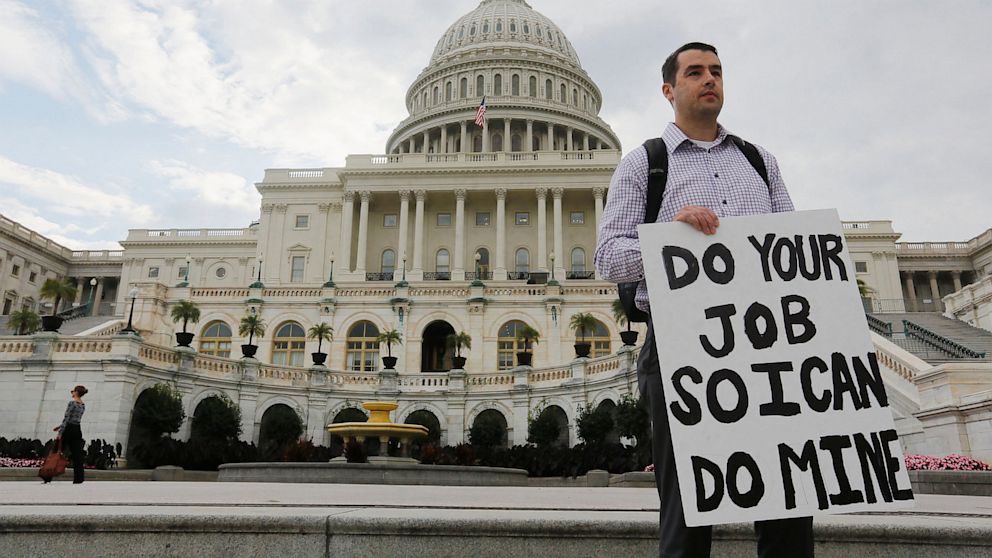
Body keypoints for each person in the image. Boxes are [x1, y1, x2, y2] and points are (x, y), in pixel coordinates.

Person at [594, 43, 814, 557]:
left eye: (716, 71)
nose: (709, 79)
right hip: (681, 347)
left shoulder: (760, 162)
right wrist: (670, 239)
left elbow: (794, 250)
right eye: (695, 72)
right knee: (690, 512)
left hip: (767, 348)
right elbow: (608, 257)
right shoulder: (643, 165)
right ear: (670, 90)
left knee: (789, 509)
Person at [54, 385, 88, 484]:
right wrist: (60, 426)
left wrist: (60, 432)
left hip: (68, 429)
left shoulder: (72, 403)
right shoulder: (82, 405)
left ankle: (47, 473)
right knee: (77, 455)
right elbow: (75, 419)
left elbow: (67, 418)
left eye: (73, 391)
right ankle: (79, 478)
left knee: (56, 450)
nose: (72, 393)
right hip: (77, 429)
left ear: (76, 392)